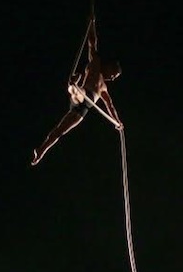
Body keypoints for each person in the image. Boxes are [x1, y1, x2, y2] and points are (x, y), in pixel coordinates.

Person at [31, 18, 123, 166]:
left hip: (83, 109)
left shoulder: (104, 88)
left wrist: (117, 122)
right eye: (113, 74)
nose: (112, 78)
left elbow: (110, 105)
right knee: (76, 92)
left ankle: (40, 151)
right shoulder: (96, 64)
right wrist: (92, 23)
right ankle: (74, 85)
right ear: (109, 66)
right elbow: (92, 42)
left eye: (114, 77)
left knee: (60, 131)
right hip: (82, 95)